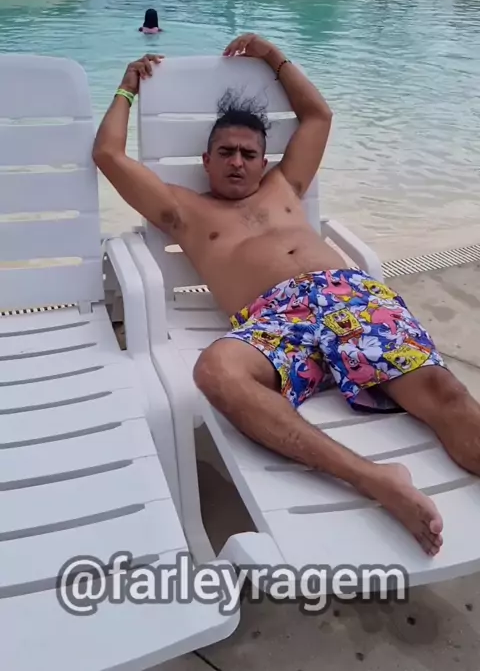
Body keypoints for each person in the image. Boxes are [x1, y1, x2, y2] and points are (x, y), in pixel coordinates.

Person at [92, 33, 480, 557]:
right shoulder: (182, 210)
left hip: (348, 296)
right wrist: (127, 87)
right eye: (225, 152)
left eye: (248, 154)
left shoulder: (285, 184)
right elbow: (108, 154)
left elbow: (318, 115)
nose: (237, 162)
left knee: (445, 393)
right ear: (206, 160)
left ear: (263, 160)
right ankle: (374, 478)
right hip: (274, 321)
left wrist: (272, 56)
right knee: (216, 372)